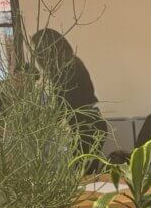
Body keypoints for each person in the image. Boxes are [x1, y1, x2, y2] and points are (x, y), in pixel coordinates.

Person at [30, 28, 108, 156]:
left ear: (47, 50)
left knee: (81, 173)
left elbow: (63, 105)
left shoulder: (67, 69)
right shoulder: (69, 64)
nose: (36, 56)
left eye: (38, 51)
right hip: (88, 125)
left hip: (86, 128)